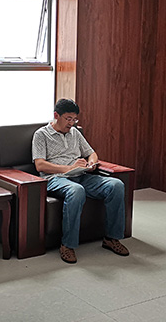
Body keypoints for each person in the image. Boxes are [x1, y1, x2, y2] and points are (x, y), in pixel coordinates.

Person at [32, 98, 129, 264]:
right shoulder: (41, 135)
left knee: (116, 185)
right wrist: (68, 168)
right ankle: (67, 245)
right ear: (56, 115)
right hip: (55, 178)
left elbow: (91, 153)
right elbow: (40, 165)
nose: (71, 123)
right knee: (76, 190)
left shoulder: (75, 133)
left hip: (81, 175)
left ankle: (111, 238)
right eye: (68, 119)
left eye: (74, 119)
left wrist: (91, 163)